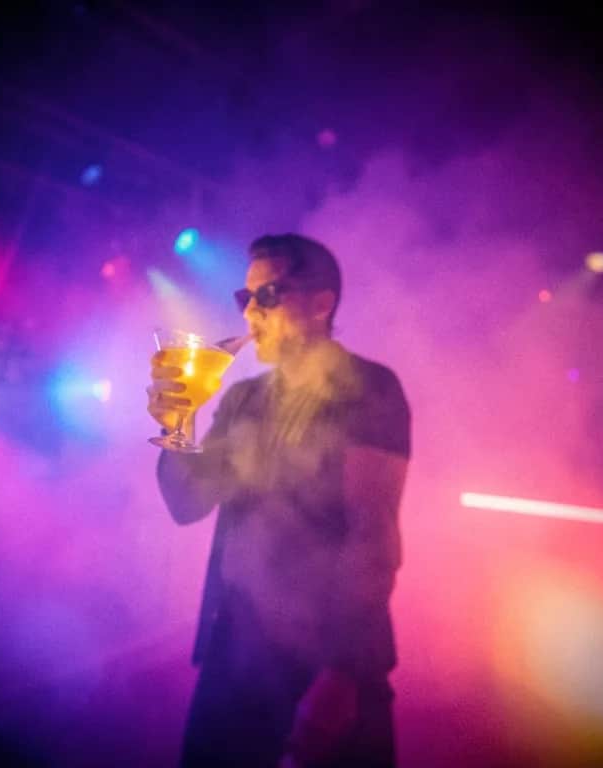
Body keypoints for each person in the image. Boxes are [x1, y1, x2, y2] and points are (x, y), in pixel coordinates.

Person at [147, 233, 411, 767]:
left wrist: (341, 672)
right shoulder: (244, 399)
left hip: (325, 655)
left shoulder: (369, 387)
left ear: (321, 303)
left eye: (267, 295)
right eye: (245, 298)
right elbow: (187, 504)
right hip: (236, 651)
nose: (251, 313)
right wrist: (176, 423)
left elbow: (373, 535)